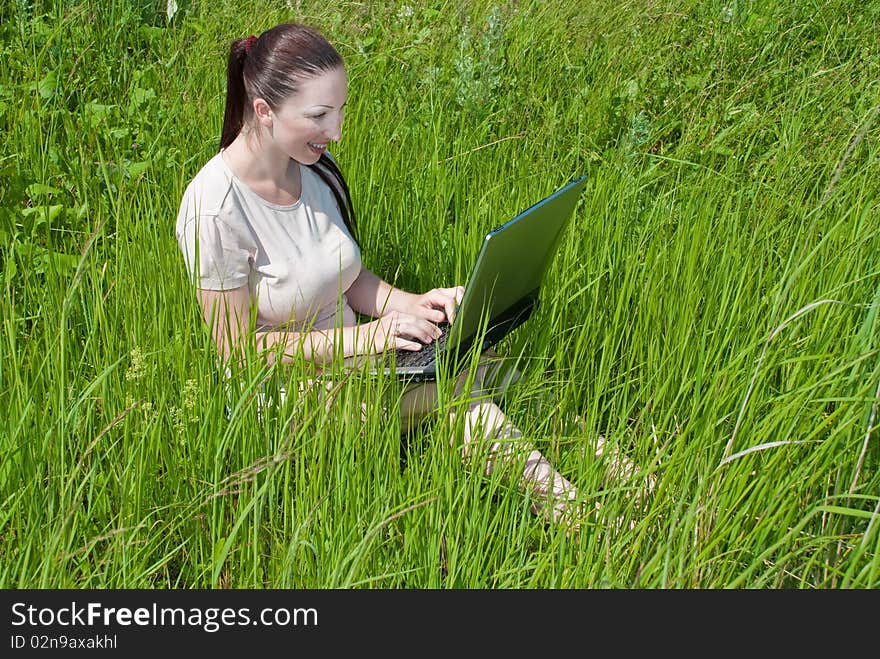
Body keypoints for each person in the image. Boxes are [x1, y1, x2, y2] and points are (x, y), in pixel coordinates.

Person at [175, 22, 584, 531]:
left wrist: (415, 304)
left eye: (340, 110)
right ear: (264, 111)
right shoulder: (213, 210)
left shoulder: (313, 168)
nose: (337, 131)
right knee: (459, 385)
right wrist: (368, 337)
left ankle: (601, 463)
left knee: (481, 357)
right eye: (320, 115)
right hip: (286, 394)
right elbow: (236, 353)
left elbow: (348, 279)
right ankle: (577, 512)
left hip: (359, 362)